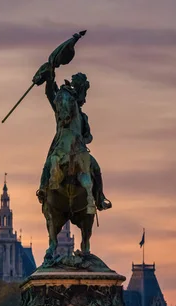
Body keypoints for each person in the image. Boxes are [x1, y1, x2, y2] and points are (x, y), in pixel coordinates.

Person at [34, 64, 111, 212]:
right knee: (49, 163)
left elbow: (88, 137)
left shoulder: (82, 117)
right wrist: (50, 78)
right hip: (61, 144)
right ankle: (43, 189)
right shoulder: (61, 105)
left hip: (79, 148)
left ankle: (99, 198)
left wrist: (81, 139)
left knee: (95, 167)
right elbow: (50, 93)